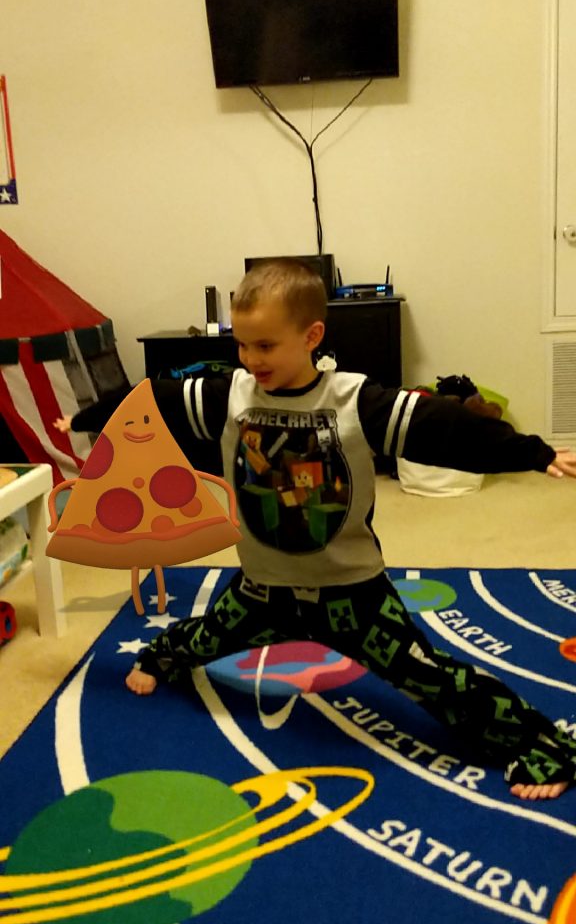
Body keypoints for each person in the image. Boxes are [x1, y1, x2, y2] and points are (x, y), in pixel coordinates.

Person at [56, 259, 576, 801]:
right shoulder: (230, 397)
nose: (251, 359)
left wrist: (534, 454)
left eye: (266, 346)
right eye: (243, 345)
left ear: (312, 336)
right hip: (263, 590)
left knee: (431, 676)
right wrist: (87, 419)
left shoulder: (355, 401)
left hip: (352, 595)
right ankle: (159, 654)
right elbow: (154, 399)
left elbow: (444, 428)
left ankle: (543, 746)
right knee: (204, 638)